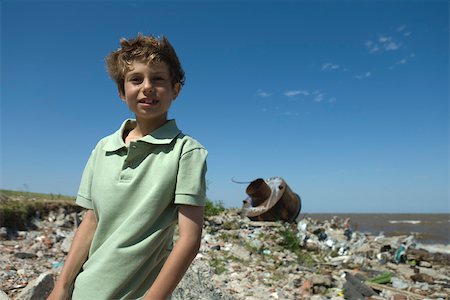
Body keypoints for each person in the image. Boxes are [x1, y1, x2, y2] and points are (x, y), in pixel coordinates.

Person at [48, 33, 208, 300]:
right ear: (122, 92)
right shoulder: (103, 148)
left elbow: (190, 239)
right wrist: (61, 286)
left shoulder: (186, 151)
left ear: (175, 89)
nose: (147, 87)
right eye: (136, 79)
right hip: (86, 290)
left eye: (158, 78)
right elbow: (92, 220)